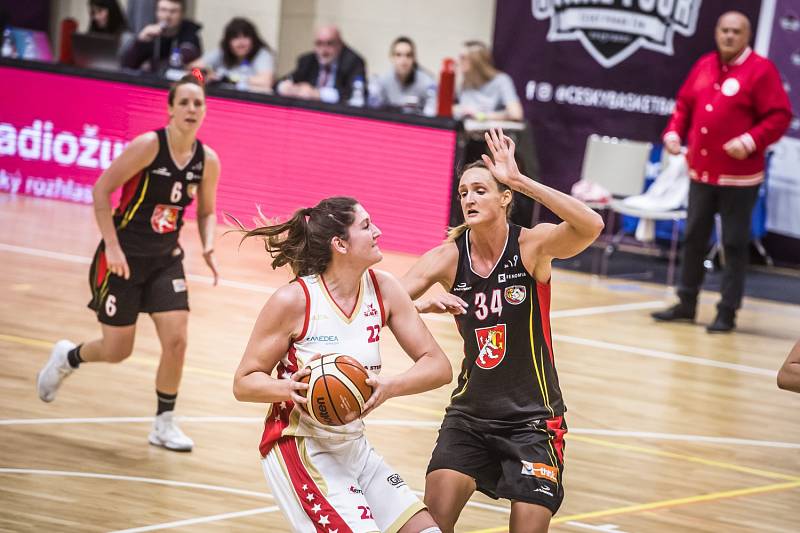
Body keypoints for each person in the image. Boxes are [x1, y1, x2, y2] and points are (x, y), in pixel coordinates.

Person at [402, 129, 604, 533]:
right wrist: (420, 304)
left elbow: (591, 225)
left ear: (505, 197)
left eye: (480, 190)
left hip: (532, 422)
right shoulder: (447, 258)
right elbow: (381, 301)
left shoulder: (531, 247)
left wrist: (521, 180)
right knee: (431, 527)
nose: (469, 199)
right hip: (469, 416)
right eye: (463, 193)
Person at [232, 197, 452, 532]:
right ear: (340, 244)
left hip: (354, 446)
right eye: (366, 226)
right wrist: (290, 388)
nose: (377, 231)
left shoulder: (385, 290)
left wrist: (391, 386)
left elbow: (438, 365)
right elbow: (244, 382)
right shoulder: (294, 300)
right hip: (302, 446)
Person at [36, 72, 221, 452]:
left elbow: (206, 212)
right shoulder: (148, 146)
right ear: (170, 108)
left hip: (166, 260)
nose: (191, 109)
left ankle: (164, 424)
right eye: (184, 102)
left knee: (178, 340)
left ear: (204, 111)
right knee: (118, 349)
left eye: (197, 103)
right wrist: (113, 247)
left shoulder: (207, 160)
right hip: (122, 258)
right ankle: (68, 357)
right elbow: (101, 189)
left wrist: (207, 244)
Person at [651, 11, 792, 333]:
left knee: (733, 244)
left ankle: (727, 311)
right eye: (724, 30)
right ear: (716, 32)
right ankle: (686, 303)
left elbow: (779, 116)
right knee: (693, 238)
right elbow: (684, 105)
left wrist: (750, 140)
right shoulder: (705, 64)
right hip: (701, 172)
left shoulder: (760, 70)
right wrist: (674, 132)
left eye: (736, 31)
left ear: (747, 35)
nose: (729, 36)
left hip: (739, 178)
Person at [275, 25, 366, 104]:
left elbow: (354, 94)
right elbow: (281, 82)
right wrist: (287, 88)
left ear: (340, 44)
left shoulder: (353, 62)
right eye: (319, 44)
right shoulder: (308, 60)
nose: (323, 50)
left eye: (329, 44)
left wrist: (318, 94)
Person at [192, 17, 274, 92]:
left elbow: (266, 81)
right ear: (228, 42)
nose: (241, 43)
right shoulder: (222, 52)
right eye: (235, 38)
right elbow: (194, 68)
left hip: (252, 101)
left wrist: (228, 78)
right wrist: (204, 77)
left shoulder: (262, 54)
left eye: (245, 37)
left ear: (253, 40)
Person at [121, 0, 202, 72]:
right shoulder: (151, 33)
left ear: (182, 14)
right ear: (156, 12)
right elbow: (127, 66)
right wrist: (140, 42)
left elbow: (186, 55)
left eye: (173, 11)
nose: (167, 16)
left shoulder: (190, 32)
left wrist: (151, 66)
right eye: (163, 10)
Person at [454, 41, 523, 121]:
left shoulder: (501, 80)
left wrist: (481, 116)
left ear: (476, 61)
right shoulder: (464, 81)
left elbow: (516, 114)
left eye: (462, 58)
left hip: (488, 130)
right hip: (462, 129)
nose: (457, 61)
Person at [370, 36, 437, 115]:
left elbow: (432, 113)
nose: (403, 60)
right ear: (391, 57)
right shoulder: (383, 81)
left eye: (408, 55)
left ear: (414, 59)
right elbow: (376, 110)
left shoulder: (427, 83)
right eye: (398, 55)